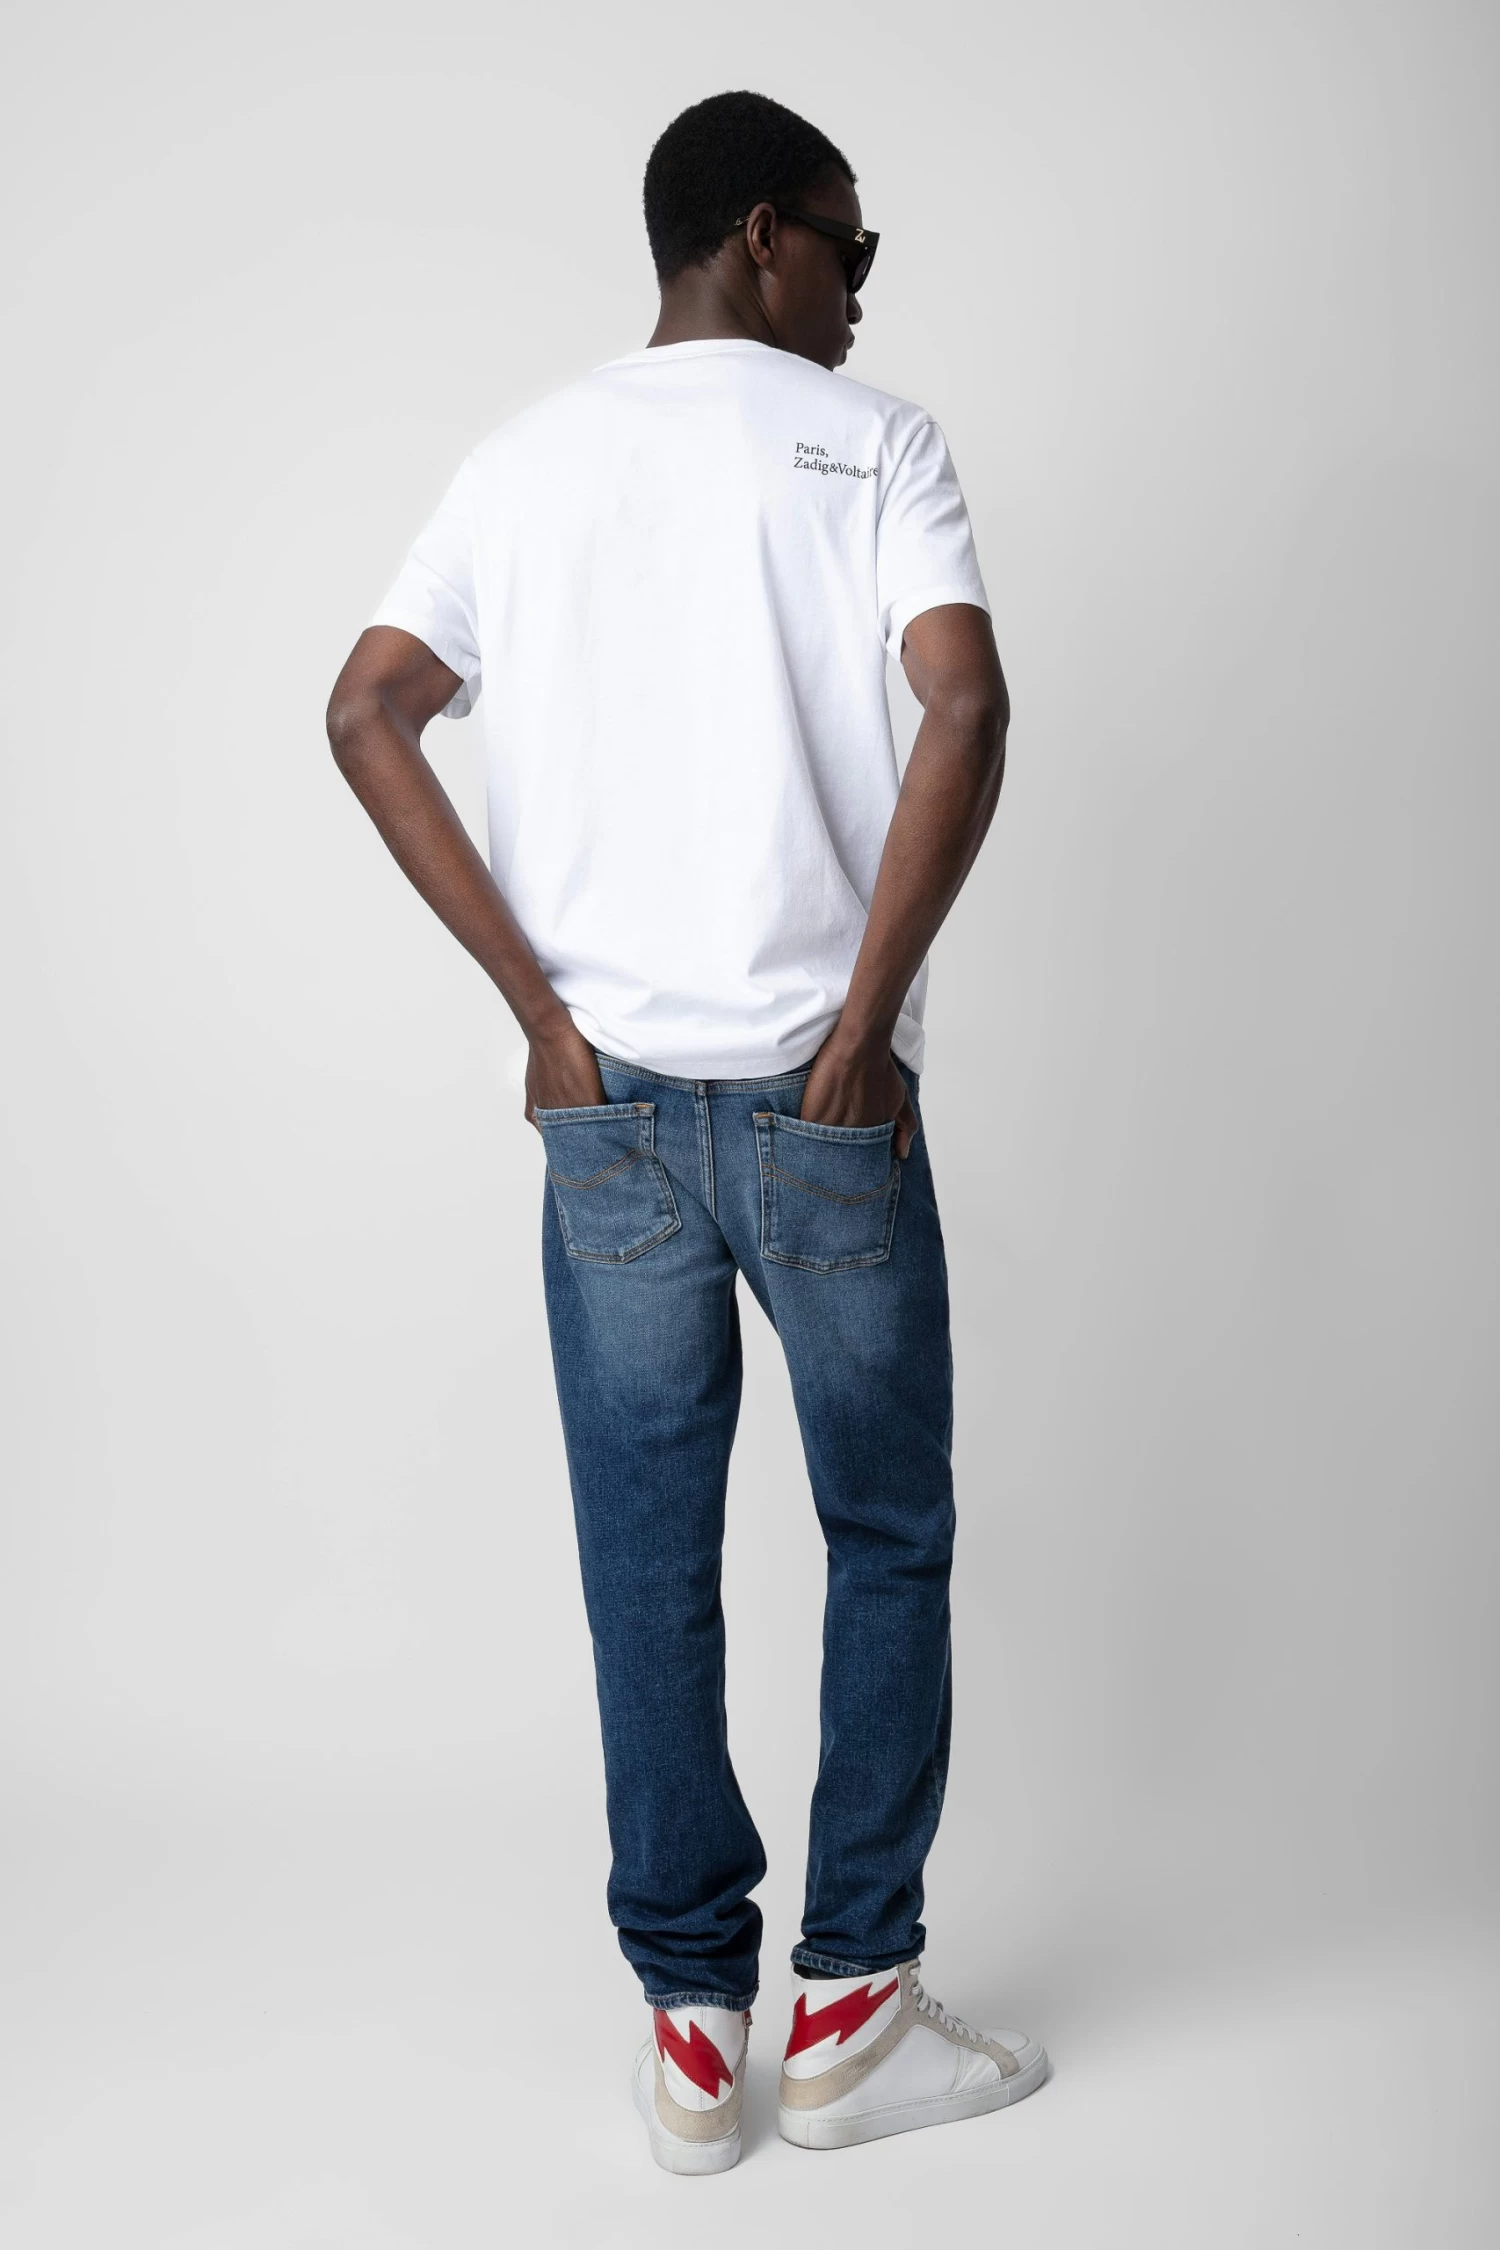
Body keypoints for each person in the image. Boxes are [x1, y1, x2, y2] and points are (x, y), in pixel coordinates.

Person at [326, 88, 1046, 2172]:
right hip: (826, 1109)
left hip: (610, 1120)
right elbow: (969, 700)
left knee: (649, 1560)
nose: (861, 291)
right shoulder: (876, 444)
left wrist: (542, 1020)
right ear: (757, 235)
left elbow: (368, 705)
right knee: (884, 1534)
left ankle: (694, 2034)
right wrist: (862, 1029)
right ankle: (852, 2013)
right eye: (849, 246)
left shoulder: (521, 460)